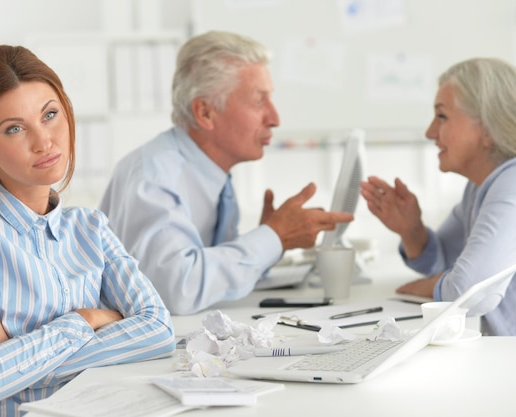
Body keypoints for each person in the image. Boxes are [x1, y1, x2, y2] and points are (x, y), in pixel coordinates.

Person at [0, 45, 175, 416]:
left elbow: (158, 331)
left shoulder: (90, 228)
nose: (44, 142)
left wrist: (15, 352)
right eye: (15, 128)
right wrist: (87, 319)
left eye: (50, 115)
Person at [99, 31, 353, 315]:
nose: (275, 118)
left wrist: (270, 242)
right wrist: (274, 236)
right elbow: (175, 289)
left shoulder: (210, 171)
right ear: (205, 113)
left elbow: (206, 277)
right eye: (259, 101)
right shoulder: (156, 176)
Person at [360, 57, 516, 336]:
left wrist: (430, 286)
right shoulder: (481, 185)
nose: (430, 132)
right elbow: (446, 260)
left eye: (442, 116)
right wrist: (412, 231)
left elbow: (471, 291)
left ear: (488, 129)